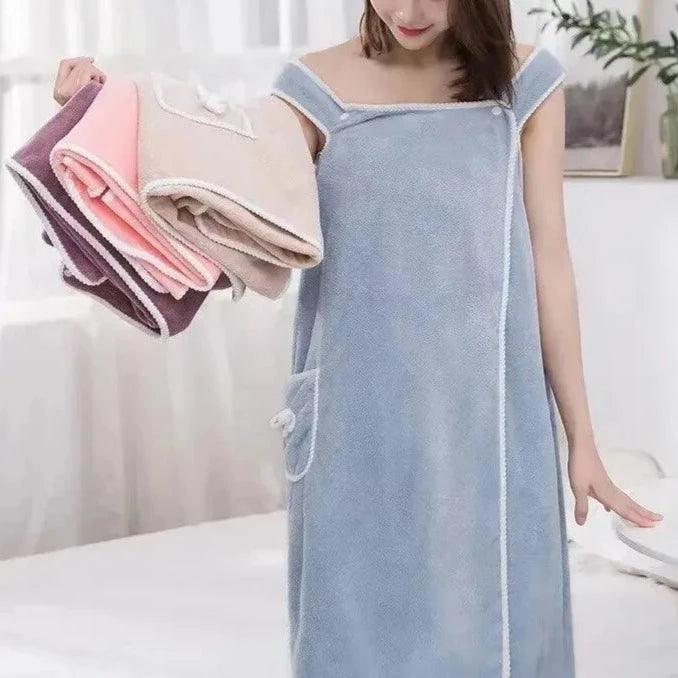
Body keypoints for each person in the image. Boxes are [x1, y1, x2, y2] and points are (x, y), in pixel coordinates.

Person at [53, 1, 663, 676]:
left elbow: (550, 259)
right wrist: (104, 108)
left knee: (497, 635)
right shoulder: (313, 90)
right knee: (356, 638)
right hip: (356, 430)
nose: (409, 10)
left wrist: (582, 440)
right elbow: (210, 169)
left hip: (490, 425)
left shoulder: (526, 87)